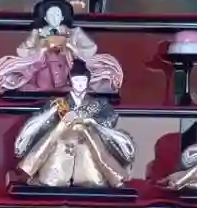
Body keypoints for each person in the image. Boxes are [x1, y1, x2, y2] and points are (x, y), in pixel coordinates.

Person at [12, 61, 138, 190]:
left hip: (89, 147)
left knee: (94, 172)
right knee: (52, 165)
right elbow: (43, 122)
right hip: (60, 146)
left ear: (88, 82)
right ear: (70, 81)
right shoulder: (58, 103)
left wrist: (92, 121)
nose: (80, 84)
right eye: (76, 80)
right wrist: (58, 117)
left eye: (83, 80)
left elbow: (110, 117)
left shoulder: (99, 104)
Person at [0, 0, 125, 95]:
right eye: (51, 15)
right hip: (43, 66)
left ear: (63, 17)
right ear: (45, 18)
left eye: (57, 14)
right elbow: (23, 51)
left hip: (69, 65)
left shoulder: (74, 32)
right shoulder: (38, 32)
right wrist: (41, 49)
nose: (54, 17)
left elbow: (91, 48)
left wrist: (71, 47)